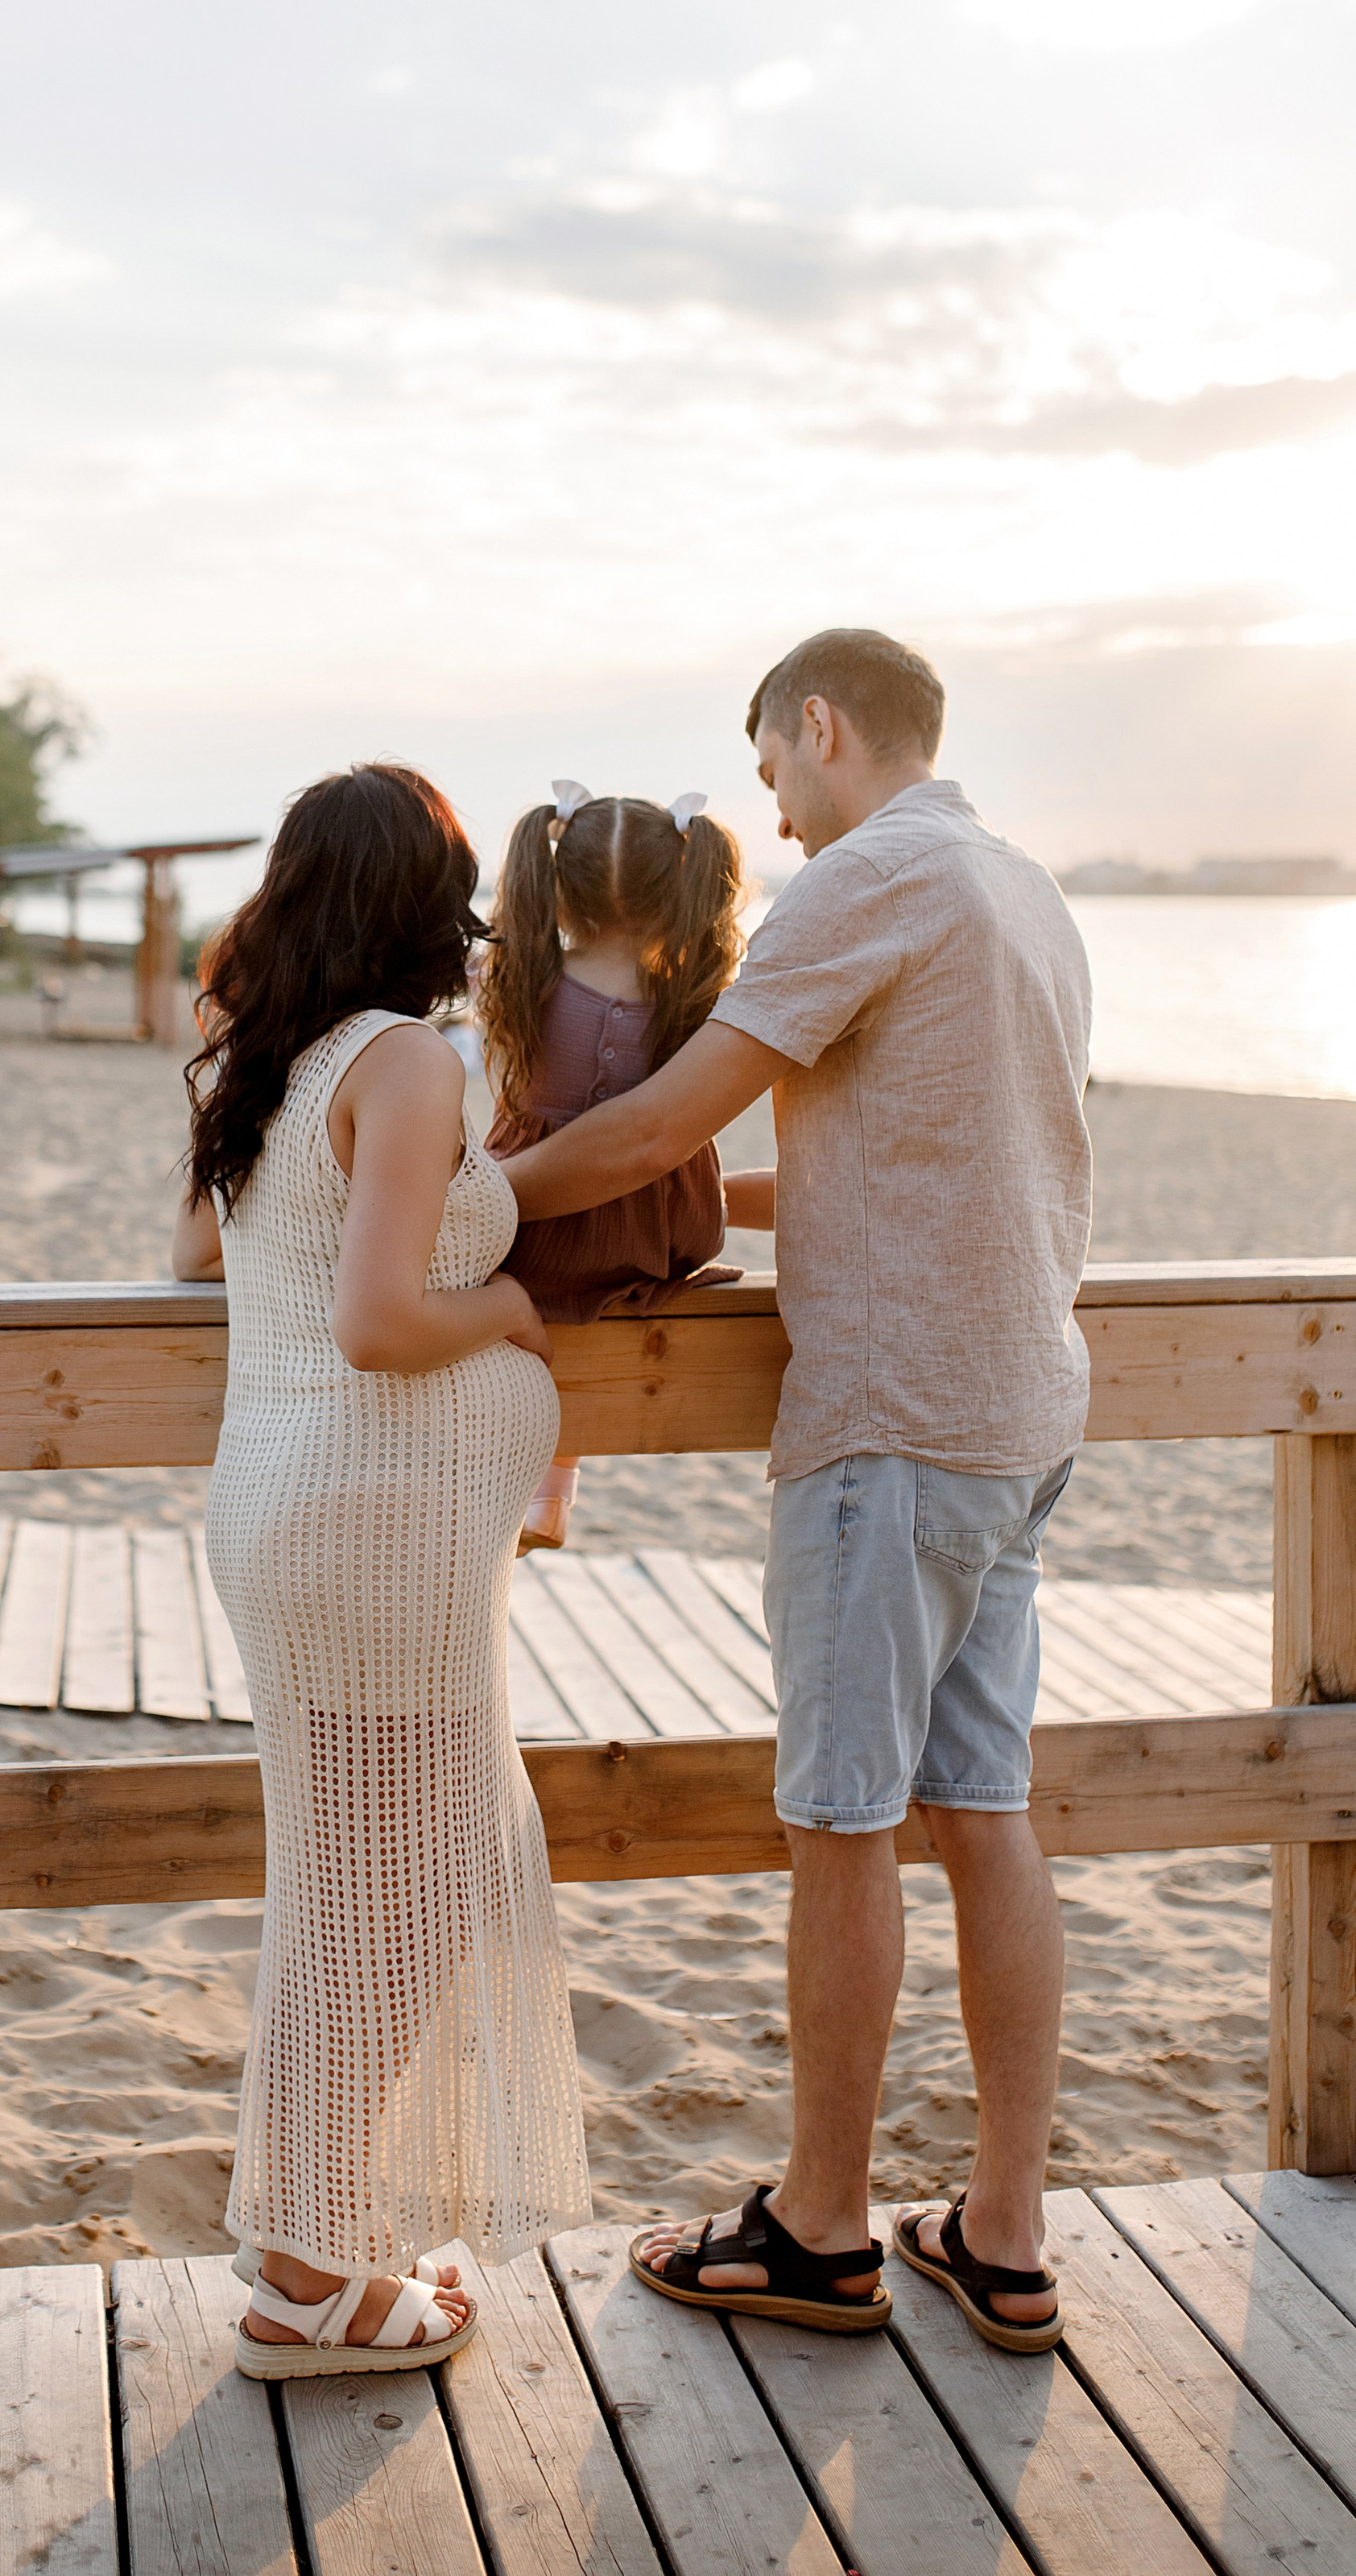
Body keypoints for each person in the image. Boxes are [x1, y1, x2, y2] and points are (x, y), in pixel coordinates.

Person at [498, 629, 1091, 2351]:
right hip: (1019, 1417)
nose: (771, 811)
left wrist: (457, 1201)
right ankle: (1001, 2231)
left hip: (889, 1425)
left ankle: (822, 2227)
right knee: (983, 1812)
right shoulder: (1021, 888)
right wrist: (696, 1204)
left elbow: (648, 1127)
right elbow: (907, 1156)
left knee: (839, 1825)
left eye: (771, 768)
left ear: (820, 726)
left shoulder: (867, 877)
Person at [173, 761, 591, 2379]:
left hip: (295, 1514)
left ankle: (317, 2234)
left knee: (342, 1897)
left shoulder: (271, 1061)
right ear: (424, 898)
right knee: (393, 1911)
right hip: (370, 1536)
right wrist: (504, 1312)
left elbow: (215, 1261)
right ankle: (304, 2276)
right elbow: (376, 1322)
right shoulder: (405, 1062)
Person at [476, 778, 746, 1550]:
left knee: (502, 1301)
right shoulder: (694, 995)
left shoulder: (518, 977)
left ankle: (529, 1495)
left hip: (536, 1227)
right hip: (657, 1229)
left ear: (559, 889)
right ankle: (553, 1500)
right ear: (676, 891)